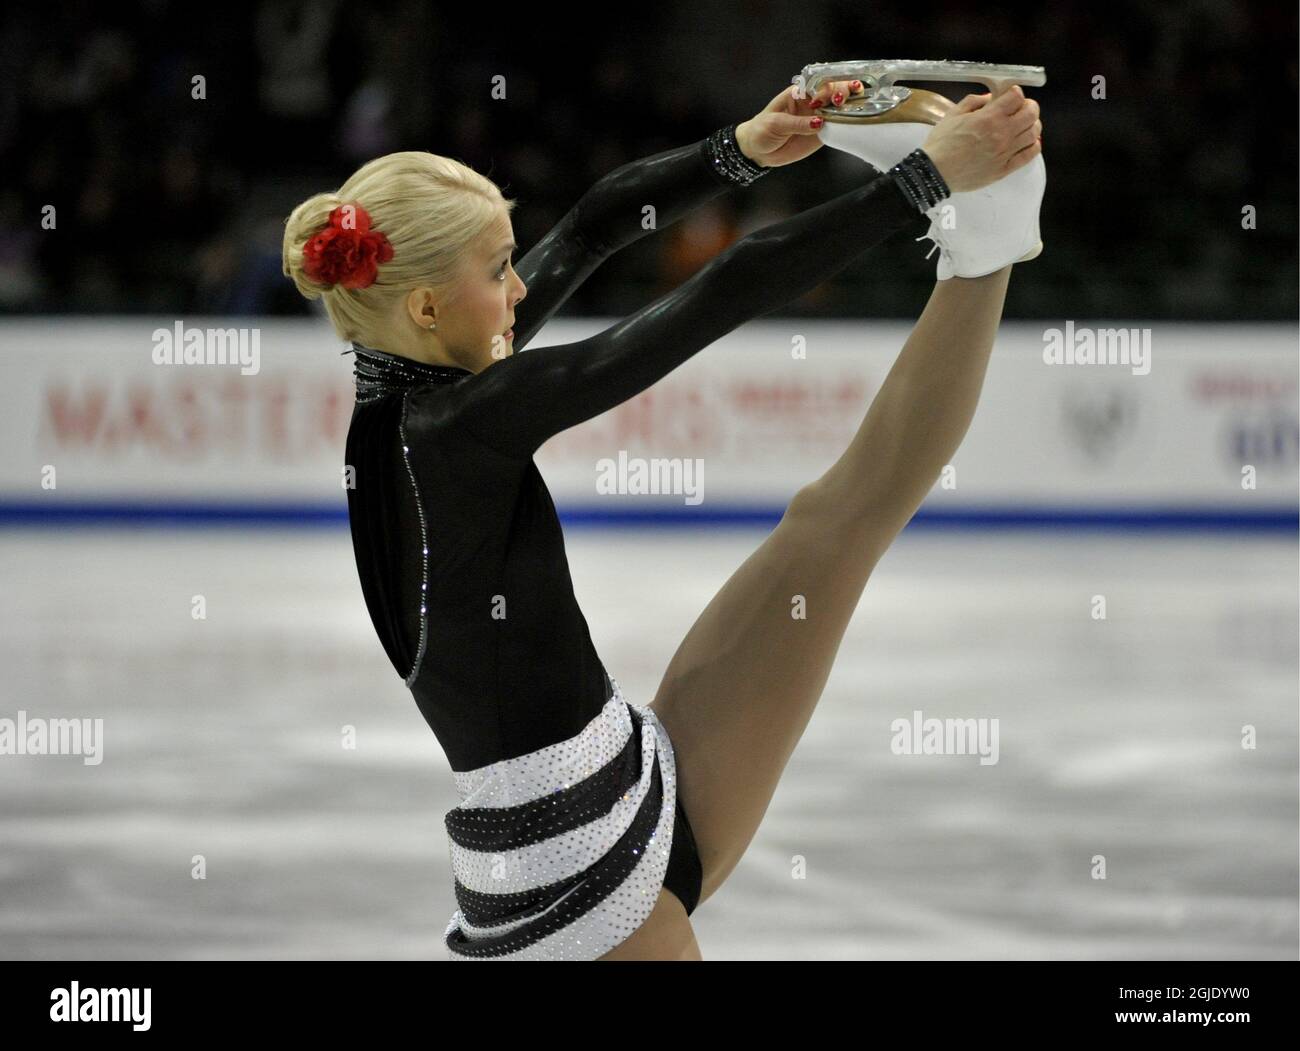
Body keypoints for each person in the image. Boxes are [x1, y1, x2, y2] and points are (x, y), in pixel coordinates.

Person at [281, 78, 1043, 960]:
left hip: (626, 776)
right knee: (834, 526)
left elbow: (598, 222)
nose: (523, 287)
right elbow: (728, 287)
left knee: (832, 526)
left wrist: (743, 147)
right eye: (499, 272)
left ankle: (989, 249)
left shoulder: (418, 389)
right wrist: (919, 178)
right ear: (425, 306)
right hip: (573, 892)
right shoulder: (456, 428)